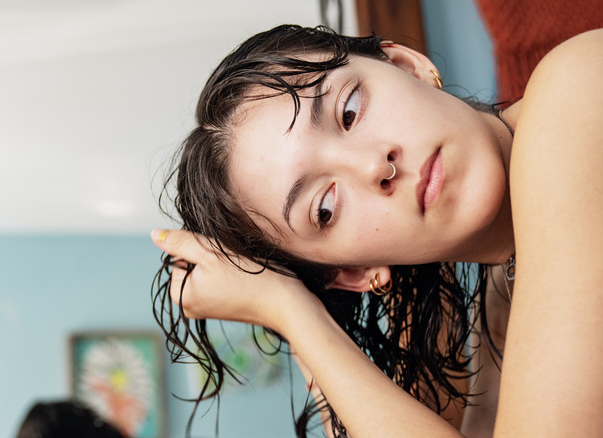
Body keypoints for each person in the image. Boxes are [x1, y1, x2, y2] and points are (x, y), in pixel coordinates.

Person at [151, 24, 603, 437]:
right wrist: (290, 307)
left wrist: (290, 312)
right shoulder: (505, 299)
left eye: (350, 110)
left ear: (409, 66)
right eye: (324, 209)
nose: (374, 165)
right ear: (355, 271)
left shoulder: (574, 93)